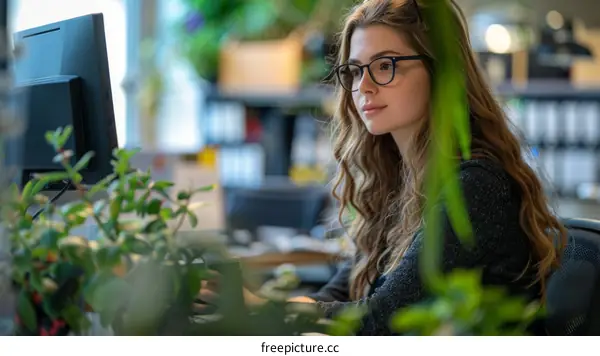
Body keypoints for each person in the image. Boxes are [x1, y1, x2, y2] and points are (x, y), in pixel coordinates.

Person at [197, 0, 568, 335]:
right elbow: (344, 290)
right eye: (356, 70)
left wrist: (268, 308)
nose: (364, 87)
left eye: (386, 65)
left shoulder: (474, 186)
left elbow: (381, 321)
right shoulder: (395, 181)